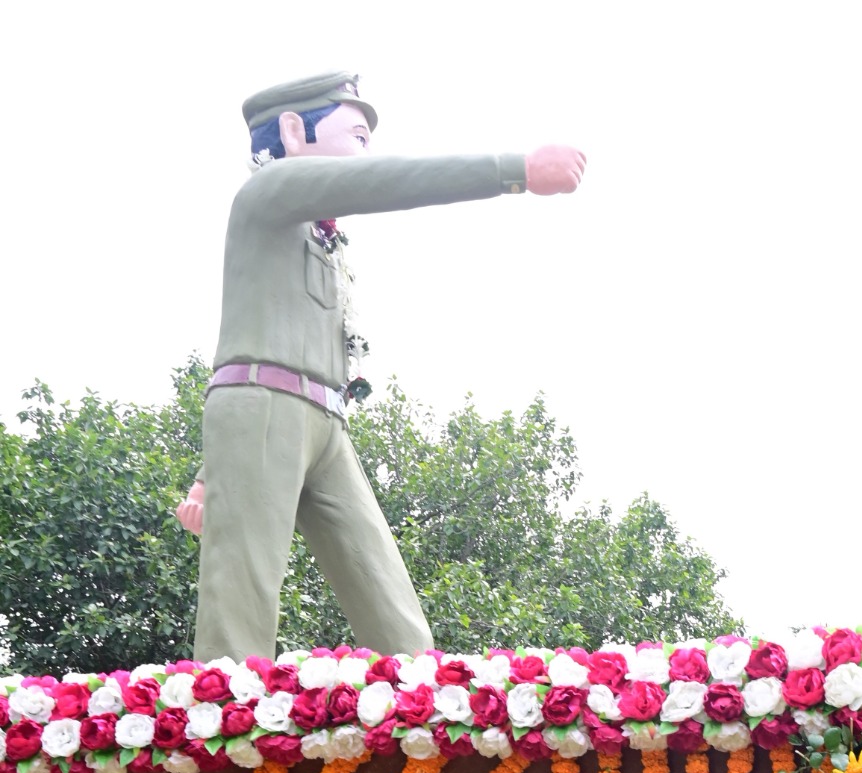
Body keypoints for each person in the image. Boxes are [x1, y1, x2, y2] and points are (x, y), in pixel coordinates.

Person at [174, 72, 586, 662]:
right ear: (293, 131)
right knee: (239, 607)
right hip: (264, 409)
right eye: (357, 135)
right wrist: (512, 169)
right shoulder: (268, 192)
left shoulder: (319, 237)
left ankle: (427, 717)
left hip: (323, 422)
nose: (365, 152)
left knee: (396, 617)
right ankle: (229, 730)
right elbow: (381, 182)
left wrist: (211, 473)